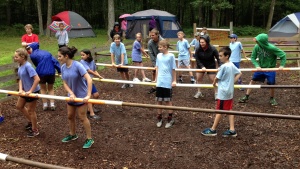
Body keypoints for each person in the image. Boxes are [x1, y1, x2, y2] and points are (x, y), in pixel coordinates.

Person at [57, 46, 94, 149]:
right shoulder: (63, 67)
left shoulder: (78, 65)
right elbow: (64, 83)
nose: (58, 58)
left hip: (82, 96)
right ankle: (73, 134)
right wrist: (71, 93)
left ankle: (89, 138)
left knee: (82, 117)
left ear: (66, 56)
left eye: (60, 56)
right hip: (72, 97)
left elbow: (89, 79)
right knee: (70, 116)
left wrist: (88, 95)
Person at [201, 46, 242, 137]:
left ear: (226, 56)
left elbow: (217, 78)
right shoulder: (231, 65)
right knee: (229, 110)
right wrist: (232, 82)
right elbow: (239, 73)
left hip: (223, 92)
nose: (219, 58)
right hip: (229, 92)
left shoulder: (223, 67)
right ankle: (232, 129)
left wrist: (214, 84)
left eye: (220, 56)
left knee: (219, 110)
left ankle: (213, 129)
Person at [238, 33, 286, 106]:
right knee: (252, 81)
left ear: (262, 42)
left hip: (270, 69)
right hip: (260, 68)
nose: (256, 42)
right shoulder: (257, 47)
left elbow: (283, 55)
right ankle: (246, 96)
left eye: (258, 41)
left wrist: (282, 65)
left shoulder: (272, 48)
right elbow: (253, 57)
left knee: (272, 84)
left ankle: (272, 98)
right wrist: (257, 65)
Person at [26, 42, 61, 111]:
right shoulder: (47, 53)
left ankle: (45, 105)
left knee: (43, 88)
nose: (28, 50)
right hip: (51, 72)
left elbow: (36, 64)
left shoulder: (32, 55)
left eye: (29, 48)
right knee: (50, 88)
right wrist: (59, 70)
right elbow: (55, 62)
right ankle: (52, 104)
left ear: (32, 48)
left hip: (41, 73)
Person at [14, 48, 40, 137]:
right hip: (25, 91)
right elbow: (21, 78)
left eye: (16, 57)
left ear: (23, 57)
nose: (15, 58)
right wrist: (21, 89)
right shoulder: (20, 65)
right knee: (19, 106)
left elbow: (37, 79)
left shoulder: (28, 66)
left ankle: (35, 130)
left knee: (31, 110)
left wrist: (30, 91)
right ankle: (31, 122)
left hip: (33, 91)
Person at [155, 39, 177, 128]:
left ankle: (170, 119)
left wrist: (174, 80)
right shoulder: (158, 56)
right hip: (159, 81)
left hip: (167, 81)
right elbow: (157, 67)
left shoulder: (171, 56)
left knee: (168, 101)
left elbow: (173, 69)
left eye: (160, 47)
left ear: (165, 47)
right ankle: (159, 118)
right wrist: (156, 79)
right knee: (159, 100)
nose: (159, 48)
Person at [193, 35, 221, 100]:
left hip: (210, 65)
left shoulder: (213, 49)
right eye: (200, 42)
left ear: (207, 42)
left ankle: (216, 93)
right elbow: (197, 59)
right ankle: (199, 92)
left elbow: (219, 58)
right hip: (200, 65)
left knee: (213, 79)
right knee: (198, 78)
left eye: (203, 42)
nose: (201, 44)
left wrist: (220, 66)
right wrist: (202, 66)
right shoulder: (198, 49)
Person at [80, 49, 103, 120]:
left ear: (88, 55)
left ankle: (89, 108)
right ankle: (92, 114)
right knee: (88, 96)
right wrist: (97, 75)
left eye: (83, 55)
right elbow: (88, 70)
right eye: (81, 55)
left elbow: (94, 70)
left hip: (90, 81)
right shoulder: (82, 62)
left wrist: (100, 76)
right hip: (84, 81)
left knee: (96, 95)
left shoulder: (92, 61)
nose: (81, 56)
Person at [147, 28, 164, 94]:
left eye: (153, 35)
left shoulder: (162, 41)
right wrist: (155, 64)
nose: (151, 37)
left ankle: (163, 87)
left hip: (163, 60)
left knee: (163, 73)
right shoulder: (150, 42)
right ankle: (154, 86)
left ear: (157, 35)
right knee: (154, 72)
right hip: (155, 60)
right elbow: (150, 53)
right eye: (151, 35)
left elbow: (165, 52)